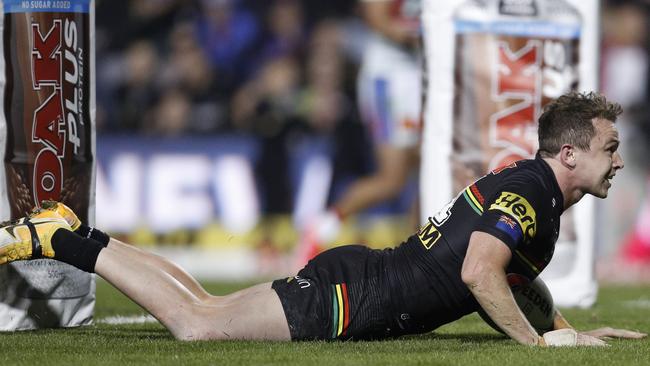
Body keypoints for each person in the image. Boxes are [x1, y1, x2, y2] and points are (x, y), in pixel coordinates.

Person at [0, 92, 646, 345]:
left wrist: (562, 329)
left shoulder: (532, 189)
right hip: (356, 298)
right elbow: (481, 272)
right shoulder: (533, 193)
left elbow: (508, 276)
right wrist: (537, 350)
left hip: (364, 277)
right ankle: (60, 239)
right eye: (609, 148)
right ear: (570, 153)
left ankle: (68, 229)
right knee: (196, 326)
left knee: (203, 303)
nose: (617, 161)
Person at [295, 0, 423, 262]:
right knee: (392, 179)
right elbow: (378, 19)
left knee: (427, 172)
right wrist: (430, 33)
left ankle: (419, 251)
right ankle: (321, 227)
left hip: (419, 75)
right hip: (390, 79)